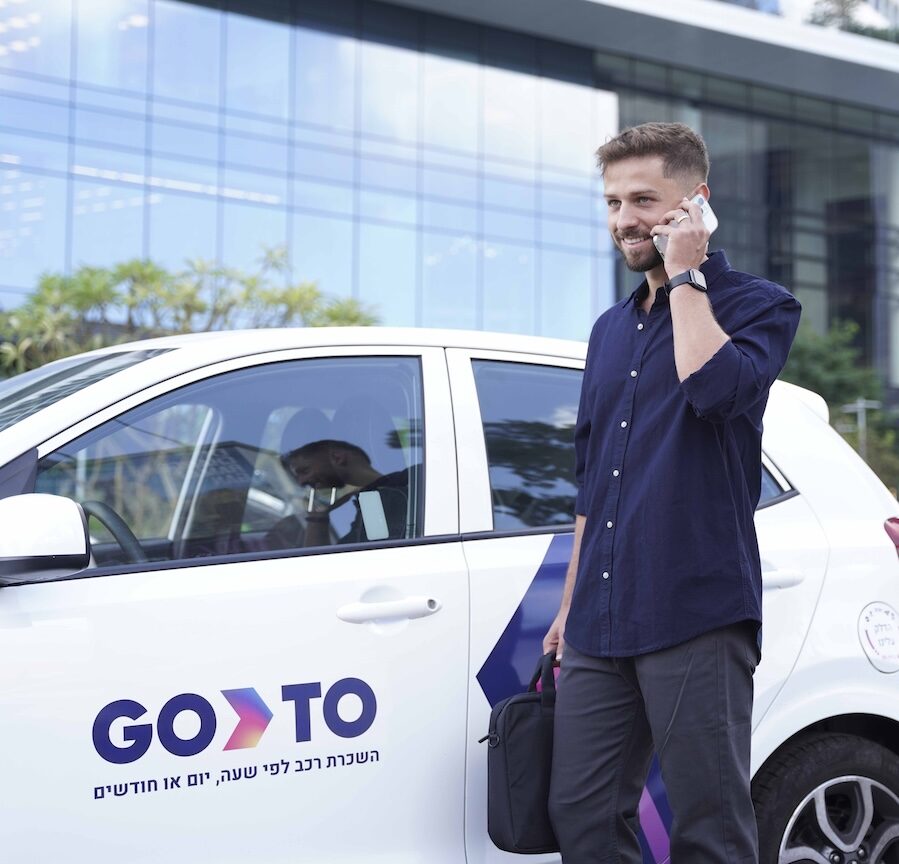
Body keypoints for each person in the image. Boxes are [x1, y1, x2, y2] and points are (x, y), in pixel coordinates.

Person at [543, 122, 801, 863]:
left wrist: (685, 275)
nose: (624, 219)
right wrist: (567, 605)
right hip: (599, 616)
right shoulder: (607, 330)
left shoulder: (759, 304)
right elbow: (593, 476)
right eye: (612, 202)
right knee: (582, 817)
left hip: (694, 607)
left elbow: (715, 390)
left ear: (693, 204)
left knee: (708, 826)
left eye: (644, 200)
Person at [271, 438, 412, 548]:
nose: (302, 482)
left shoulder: (375, 500)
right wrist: (318, 514)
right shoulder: (373, 498)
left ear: (338, 458)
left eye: (305, 471)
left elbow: (322, 566)